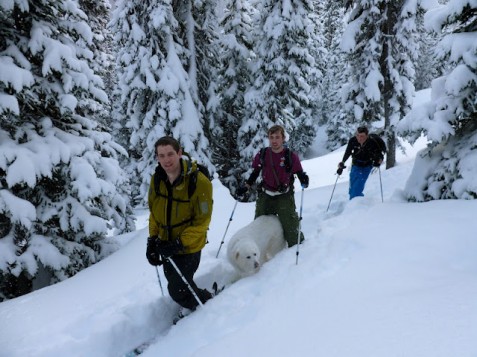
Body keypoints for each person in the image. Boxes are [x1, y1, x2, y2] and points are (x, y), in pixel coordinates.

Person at [146, 136, 213, 311]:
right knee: (177, 282)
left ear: (179, 153)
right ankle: (198, 300)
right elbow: (154, 212)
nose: (166, 160)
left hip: (189, 246)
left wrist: (179, 244)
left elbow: (202, 222)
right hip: (165, 243)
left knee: (178, 289)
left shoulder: (199, 182)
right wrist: (152, 240)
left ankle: (206, 303)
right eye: (161, 156)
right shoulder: (157, 180)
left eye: (170, 154)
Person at [237, 125, 309, 247]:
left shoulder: (290, 156)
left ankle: (298, 249)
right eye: (271, 137)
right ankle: (255, 251)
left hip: (284, 195)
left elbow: (299, 172)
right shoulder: (263, 154)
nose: (274, 141)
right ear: (268, 138)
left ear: (283, 138)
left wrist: (304, 178)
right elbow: (255, 172)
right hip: (266, 195)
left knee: (291, 229)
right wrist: (247, 186)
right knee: (259, 226)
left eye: (277, 137)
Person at [337, 126, 385, 200]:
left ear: (367, 136)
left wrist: (378, 161)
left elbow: (380, 155)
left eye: (362, 136)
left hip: (366, 167)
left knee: (357, 188)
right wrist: (342, 162)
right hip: (355, 166)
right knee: (352, 188)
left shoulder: (372, 143)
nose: (359, 138)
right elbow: (348, 152)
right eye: (358, 135)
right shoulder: (353, 141)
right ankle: (355, 202)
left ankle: (355, 205)